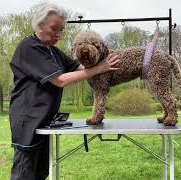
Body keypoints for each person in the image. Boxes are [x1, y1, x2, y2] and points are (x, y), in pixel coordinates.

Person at [9, 2, 120, 180]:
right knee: (25, 173)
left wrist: (101, 57)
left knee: (41, 172)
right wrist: (100, 69)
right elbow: (60, 80)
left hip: (45, 121)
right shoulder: (29, 47)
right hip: (28, 121)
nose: (59, 35)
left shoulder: (53, 51)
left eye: (62, 30)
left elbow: (79, 67)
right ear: (39, 24)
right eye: (54, 29)